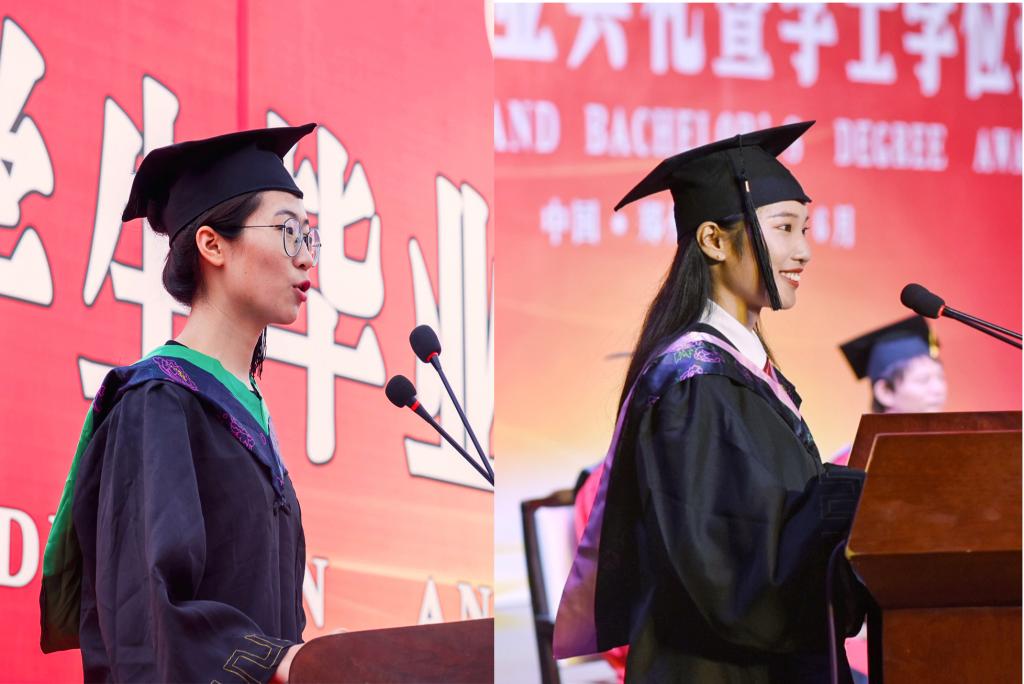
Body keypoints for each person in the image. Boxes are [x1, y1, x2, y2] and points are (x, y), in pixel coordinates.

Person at [553, 122, 867, 683]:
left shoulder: (740, 374)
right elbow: (727, 566)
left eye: (805, 229)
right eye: (784, 228)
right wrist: (849, 497)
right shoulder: (693, 384)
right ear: (714, 241)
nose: (804, 251)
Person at [39, 124, 321, 683]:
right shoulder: (158, 403)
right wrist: (275, 661)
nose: (307, 258)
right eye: (289, 232)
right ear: (212, 245)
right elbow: (148, 610)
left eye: (310, 237)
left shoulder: (248, 418)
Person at [833, 316, 947, 466]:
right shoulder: (853, 463)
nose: (939, 389)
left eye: (940, 377)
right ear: (885, 392)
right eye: (923, 380)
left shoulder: (953, 451)